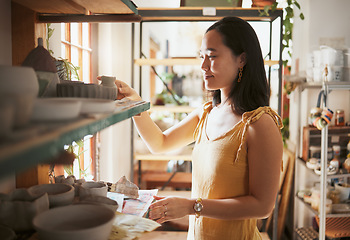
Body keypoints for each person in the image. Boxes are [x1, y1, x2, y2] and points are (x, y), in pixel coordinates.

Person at [113, 16, 283, 240]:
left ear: (241, 59)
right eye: (201, 56)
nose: (203, 66)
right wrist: (135, 104)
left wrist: (192, 206)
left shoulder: (259, 124)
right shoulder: (206, 114)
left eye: (212, 56)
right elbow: (159, 143)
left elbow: (262, 207)